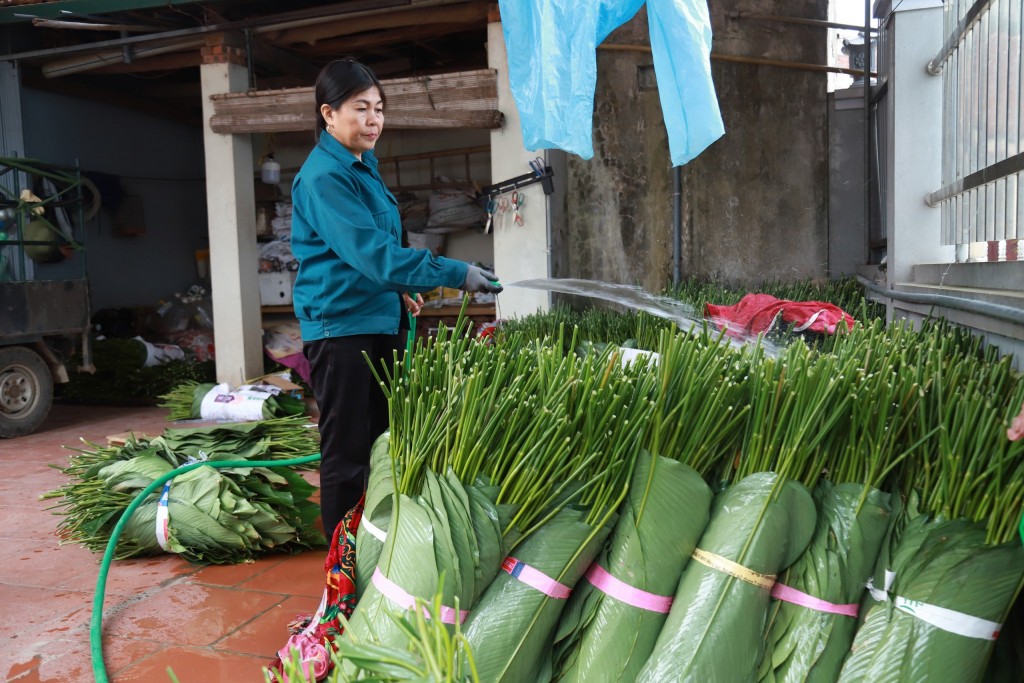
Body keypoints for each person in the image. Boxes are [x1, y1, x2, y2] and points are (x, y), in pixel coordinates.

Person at [290, 57, 502, 541]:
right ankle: (341, 574)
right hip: (342, 331)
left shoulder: (363, 168)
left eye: (379, 109)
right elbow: (375, 256)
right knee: (347, 457)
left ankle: (378, 549)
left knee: (384, 445)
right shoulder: (324, 177)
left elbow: (371, 255)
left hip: (377, 321)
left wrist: (401, 292)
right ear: (328, 114)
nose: (373, 120)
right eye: (360, 108)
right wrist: (455, 272)